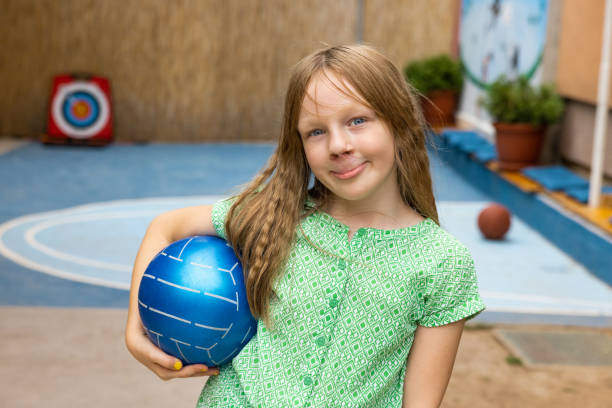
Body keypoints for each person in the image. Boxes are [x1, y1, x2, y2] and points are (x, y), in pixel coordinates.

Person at [125, 44, 486, 407]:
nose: (338, 145)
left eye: (357, 120)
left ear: (399, 122)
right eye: (316, 131)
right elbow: (165, 227)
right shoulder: (274, 216)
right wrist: (134, 331)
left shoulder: (443, 263)